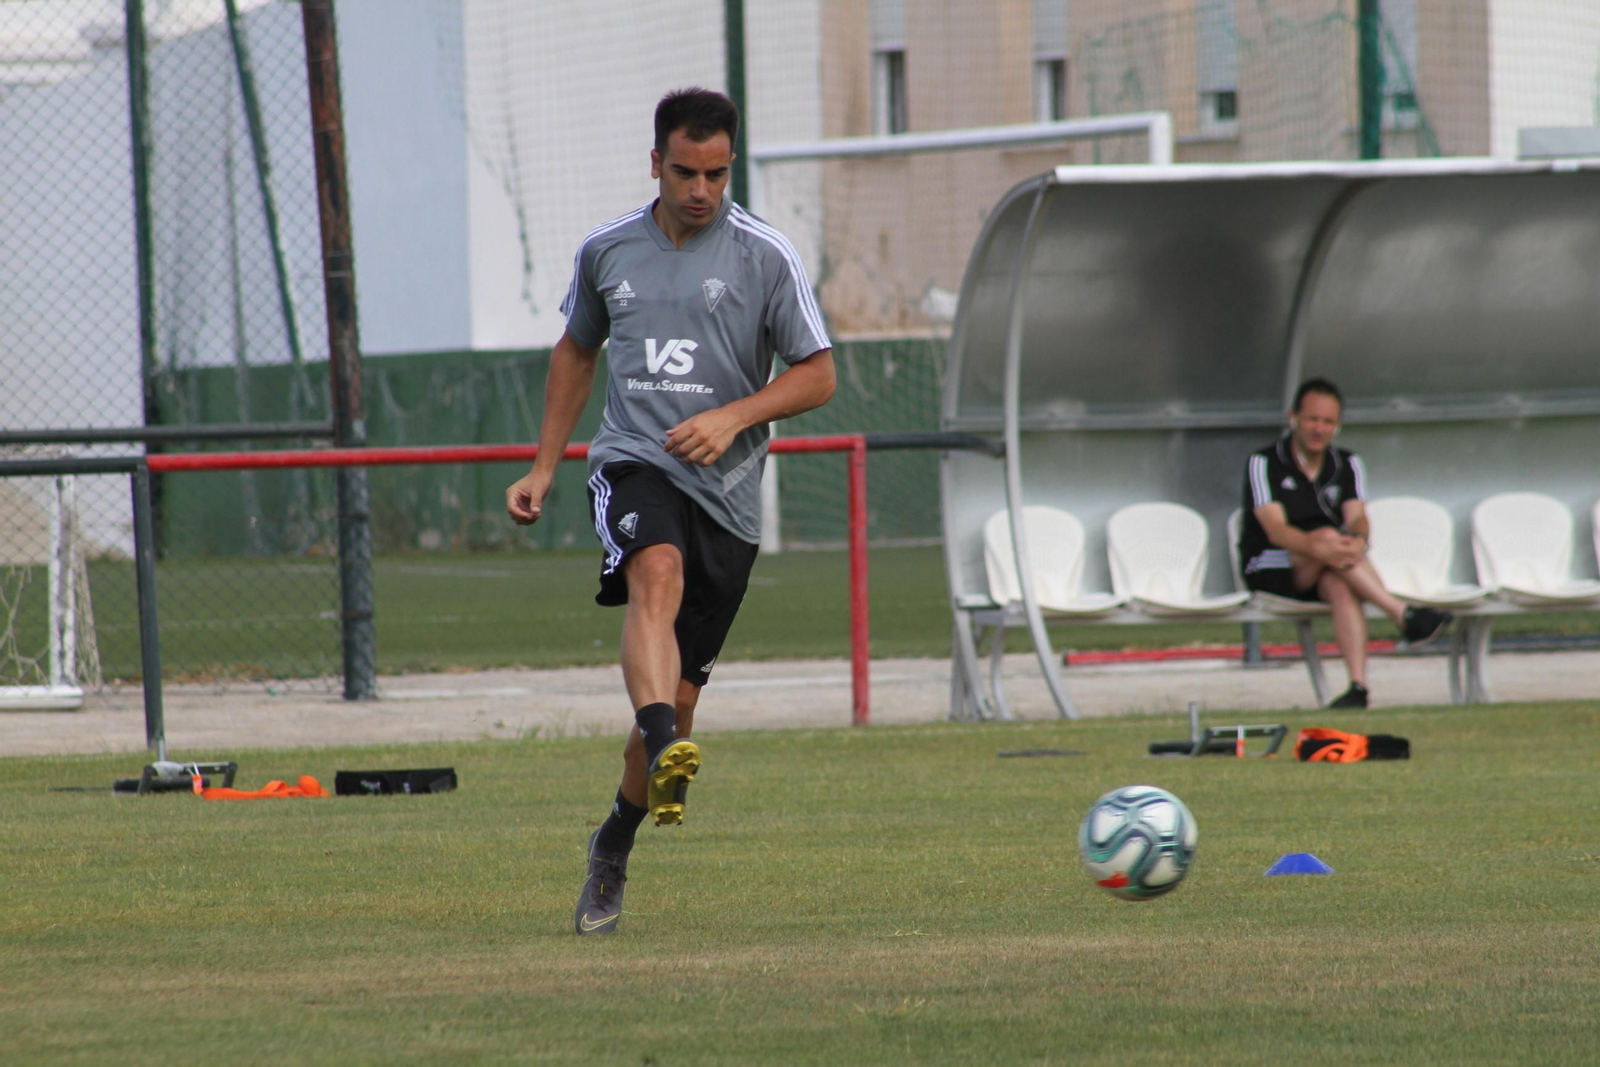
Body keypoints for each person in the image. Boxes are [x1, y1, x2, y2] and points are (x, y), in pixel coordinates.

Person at [505, 87, 835, 936]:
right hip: (635, 463)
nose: (701, 189)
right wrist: (545, 465)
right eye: (685, 171)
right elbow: (577, 349)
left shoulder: (766, 255)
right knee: (655, 571)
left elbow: (818, 374)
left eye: (717, 173)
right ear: (655, 163)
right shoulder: (608, 251)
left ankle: (613, 839)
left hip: (727, 499)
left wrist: (732, 415)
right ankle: (660, 741)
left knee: (681, 704)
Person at [1237, 378, 1450, 709]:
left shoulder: (1347, 464)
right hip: (1271, 563)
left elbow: (1358, 518)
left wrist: (1359, 541)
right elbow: (1276, 530)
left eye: (1328, 422)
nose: (1319, 429)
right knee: (1326, 537)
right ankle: (1402, 613)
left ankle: (1358, 687)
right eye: (1312, 419)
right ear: (1293, 417)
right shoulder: (1264, 463)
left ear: (1337, 425)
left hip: (1330, 564)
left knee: (1339, 581)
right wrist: (1324, 546)